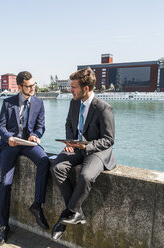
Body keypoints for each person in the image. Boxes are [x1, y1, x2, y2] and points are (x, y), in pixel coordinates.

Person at [51, 67, 116, 240]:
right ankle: (76, 212)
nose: (70, 90)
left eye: (73, 87)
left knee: (86, 176)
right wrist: (70, 142)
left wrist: (86, 147)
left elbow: (109, 140)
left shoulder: (104, 108)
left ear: (85, 88)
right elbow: (69, 125)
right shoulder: (73, 102)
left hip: (97, 151)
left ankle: (64, 219)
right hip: (76, 147)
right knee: (57, 167)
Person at [0, 71, 50, 246]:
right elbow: (1, 126)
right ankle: (4, 226)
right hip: (11, 144)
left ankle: (37, 205)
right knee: (5, 183)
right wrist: (8, 138)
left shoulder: (39, 103)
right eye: (29, 86)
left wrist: (35, 135)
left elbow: (41, 126)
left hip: (28, 143)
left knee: (44, 160)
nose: (33, 88)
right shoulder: (7, 103)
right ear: (19, 87)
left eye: (34, 85)